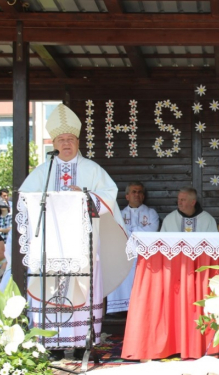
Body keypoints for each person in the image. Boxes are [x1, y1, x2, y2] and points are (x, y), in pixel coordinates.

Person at [19, 103, 129, 360]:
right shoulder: (42, 172)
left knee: (82, 288)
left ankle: (82, 343)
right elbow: (25, 199)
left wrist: (86, 196)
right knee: (51, 290)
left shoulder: (92, 170)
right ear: (54, 143)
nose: (66, 144)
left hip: (83, 246)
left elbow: (109, 197)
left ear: (78, 142)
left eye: (70, 139)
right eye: (61, 139)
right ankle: (52, 344)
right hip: (50, 246)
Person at [122, 187, 217, 361]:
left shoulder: (207, 219)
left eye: (182, 200)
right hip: (175, 273)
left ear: (192, 202)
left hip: (199, 273)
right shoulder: (171, 218)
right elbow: (163, 245)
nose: (179, 202)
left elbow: (213, 247)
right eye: (178, 199)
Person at [107, 182, 159, 316]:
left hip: (144, 255)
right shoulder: (119, 214)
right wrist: (137, 232)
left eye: (140, 192)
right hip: (124, 255)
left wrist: (131, 231)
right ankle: (121, 311)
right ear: (127, 196)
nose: (137, 195)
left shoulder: (151, 213)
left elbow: (152, 231)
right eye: (134, 192)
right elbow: (117, 233)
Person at [0, 188, 11, 277]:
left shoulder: (10, 216)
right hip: (2, 241)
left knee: (6, 257)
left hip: (8, 241)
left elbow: (10, 229)